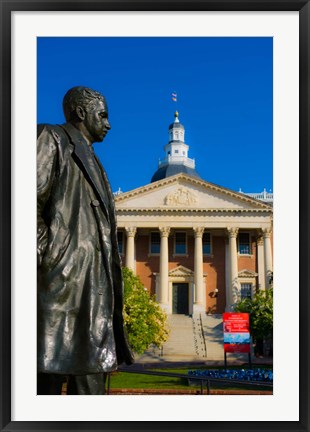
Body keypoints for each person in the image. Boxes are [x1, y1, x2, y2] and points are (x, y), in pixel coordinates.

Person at [37, 86, 133, 395]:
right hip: (58, 288)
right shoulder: (52, 138)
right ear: (80, 113)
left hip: (92, 294)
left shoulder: (94, 161)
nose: (109, 124)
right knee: (43, 383)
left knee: (91, 383)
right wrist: (48, 253)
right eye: (102, 115)